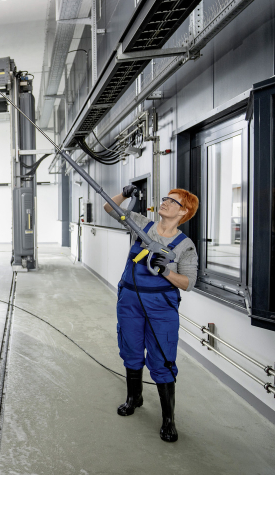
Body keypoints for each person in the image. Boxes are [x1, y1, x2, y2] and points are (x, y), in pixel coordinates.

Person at [103, 186, 199, 442]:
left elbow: (189, 283)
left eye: (173, 201)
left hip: (161, 307)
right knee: (131, 349)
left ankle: (168, 420)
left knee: (163, 359)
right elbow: (109, 208)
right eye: (165, 198)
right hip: (129, 301)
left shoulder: (185, 245)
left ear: (184, 211)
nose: (165, 202)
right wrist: (124, 194)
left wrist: (166, 271)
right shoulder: (141, 225)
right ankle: (134, 397)